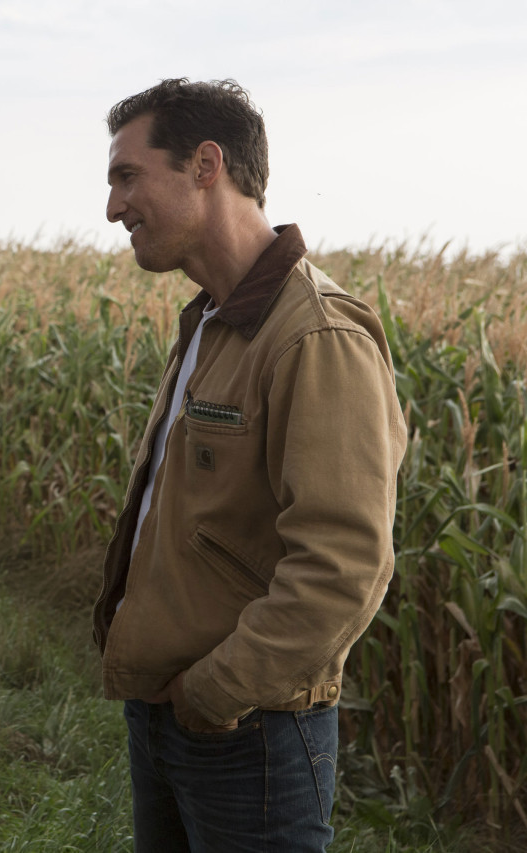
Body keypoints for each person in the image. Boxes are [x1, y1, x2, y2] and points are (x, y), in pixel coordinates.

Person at [91, 79, 407, 852]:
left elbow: (341, 568)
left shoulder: (315, 336)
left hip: (251, 736)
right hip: (167, 718)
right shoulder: (212, 320)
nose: (112, 207)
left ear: (206, 165)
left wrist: (210, 693)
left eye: (127, 175)